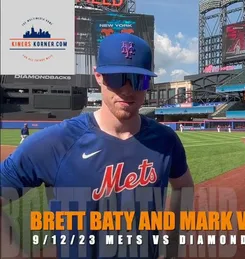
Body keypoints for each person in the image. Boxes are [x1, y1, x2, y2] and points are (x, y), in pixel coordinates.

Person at [0, 33, 194, 259]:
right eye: (117, 77)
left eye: (138, 79)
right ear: (98, 77)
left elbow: (184, 187)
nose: (128, 90)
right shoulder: (57, 142)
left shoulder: (166, 140)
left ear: (149, 83)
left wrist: (171, 250)